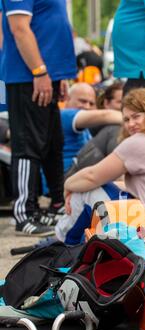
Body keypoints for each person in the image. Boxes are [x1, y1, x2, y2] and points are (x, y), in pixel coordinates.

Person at [55, 88, 145, 245]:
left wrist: (68, 186)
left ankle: (62, 243)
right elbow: (142, 186)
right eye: (126, 120)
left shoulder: (138, 141)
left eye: (136, 116)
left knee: (87, 191)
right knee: (99, 188)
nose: (131, 124)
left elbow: (91, 176)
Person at [1, 0, 77, 236]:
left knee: (53, 143)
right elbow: (19, 28)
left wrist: (58, 75)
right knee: (28, 144)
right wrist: (39, 71)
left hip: (48, 75)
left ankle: (56, 205)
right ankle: (24, 213)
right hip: (28, 76)